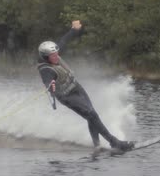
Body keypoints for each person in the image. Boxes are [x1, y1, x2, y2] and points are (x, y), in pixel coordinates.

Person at [36, 20, 134, 151]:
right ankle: (114, 142)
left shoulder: (53, 53)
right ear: (45, 56)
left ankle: (97, 145)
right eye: (52, 55)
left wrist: (74, 29)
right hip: (66, 96)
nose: (56, 56)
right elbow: (48, 80)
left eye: (56, 53)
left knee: (92, 114)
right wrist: (51, 85)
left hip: (76, 87)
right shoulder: (45, 69)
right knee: (90, 114)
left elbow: (63, 41)